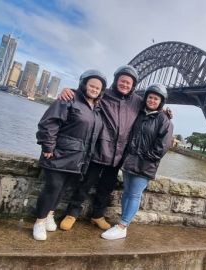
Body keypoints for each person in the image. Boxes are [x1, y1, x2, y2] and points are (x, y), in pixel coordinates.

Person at [58, 65, 144, 231]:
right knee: (85, 184)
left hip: (119, 154)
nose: (125, 84)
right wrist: (68, 91)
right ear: (116, 80)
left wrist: (166, 111)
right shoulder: (105, 94)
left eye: (128, 82)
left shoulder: (137, 101)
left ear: (133, 85)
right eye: (122, 81)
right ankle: (72, 213)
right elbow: (87, 93)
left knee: (106, 187)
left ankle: (97, 215)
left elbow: (152, 106)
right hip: (99, 149)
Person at [33, 69, 107, 241]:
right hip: (59, 153)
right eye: (92, 85)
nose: (95, 89)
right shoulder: (69, 99)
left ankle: (50, 215)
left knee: (63, 189)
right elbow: (49, 123)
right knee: (52, 188)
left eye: (98, 88)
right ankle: (39, 222)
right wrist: (48, 147)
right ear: (84, 84)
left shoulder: (96, 108)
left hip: (78, 159)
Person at [101, 83, 173, 240]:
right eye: (150, 97)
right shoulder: (139, 114)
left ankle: (122, 226)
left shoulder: (164, 121)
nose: (152, 100)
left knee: (134, 194)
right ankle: (122, 223)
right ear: (145, 98)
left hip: (145, 164)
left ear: (161, 101)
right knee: (127, 192)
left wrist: (141, 156)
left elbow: (161, 148)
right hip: (129, 162)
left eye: (156, 98)